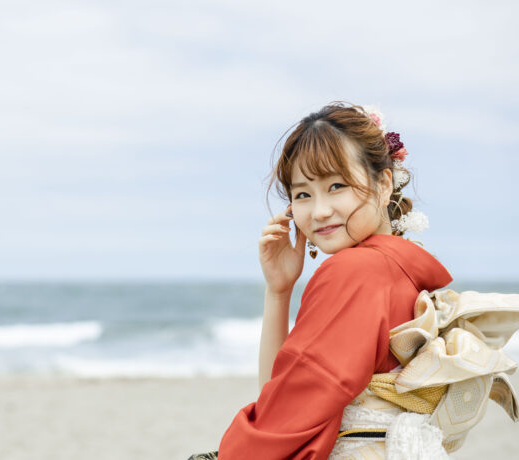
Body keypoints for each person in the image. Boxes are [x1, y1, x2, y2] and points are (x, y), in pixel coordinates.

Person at [189, 101, 456, 459]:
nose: (319, 211)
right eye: (302, 194)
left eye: (336, 185)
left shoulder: (354, 270)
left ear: (382, 185)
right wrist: (279, 290)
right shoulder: (401, 269)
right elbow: (283, 398)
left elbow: (283, 419)